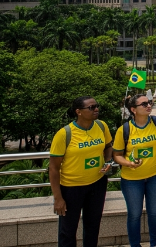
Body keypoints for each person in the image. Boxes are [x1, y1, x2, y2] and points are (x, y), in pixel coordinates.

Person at [49, 96, 113, 247]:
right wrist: (58, 198)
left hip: (97, 184)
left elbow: (108, 146)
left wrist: (108, 161)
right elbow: (53, 168)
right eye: (91, 107)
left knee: (93, 227)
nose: (96, 109)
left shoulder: (101, 126)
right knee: (68, 231)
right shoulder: (64, 134)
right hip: (71, 189)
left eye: (96, 106)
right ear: (78, 111)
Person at [113, 94, 156, 247]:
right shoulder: (124, 130)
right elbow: (116, 155)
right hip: (132, 180)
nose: (148, 105)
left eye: (149, 102)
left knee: (155, 212)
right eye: (143, 104)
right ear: (133, 109)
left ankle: (155, 243)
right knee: (134, 215)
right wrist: (129, 163)